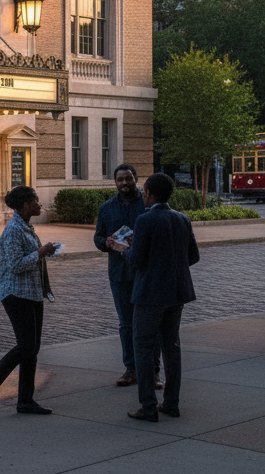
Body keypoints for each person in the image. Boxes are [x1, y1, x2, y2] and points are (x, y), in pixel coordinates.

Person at [117, 172, 199, 422]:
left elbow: (136, 260)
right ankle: (171, 403)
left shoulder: (145, 220)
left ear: (149, 193)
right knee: (172, 347)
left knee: (143, 347)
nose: (143, 195)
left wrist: (124, 248)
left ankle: (148, 406)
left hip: (150, 294)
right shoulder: (182, 219)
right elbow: (193, 256)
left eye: (145, 191)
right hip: (176, 293)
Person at [0, 185, 57, 416]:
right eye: (35, 201)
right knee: (26, 346)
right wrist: (40, 253)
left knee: (32, 348)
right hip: (16, 294)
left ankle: (26, 400)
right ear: (24, 205)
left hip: (33, 293)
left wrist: (43, 253)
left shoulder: (27, 226)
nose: (39, 204)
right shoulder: (13, 230)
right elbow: (15, 265)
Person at [94, 163, 151, 387]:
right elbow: (98, 237)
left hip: (144, 272)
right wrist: (106, 243)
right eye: (120, 179)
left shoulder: (147, 205)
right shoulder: (106, 208)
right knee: (126, 324)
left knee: (148, 323)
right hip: (118, 274)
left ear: (135, 178)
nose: (124, 183)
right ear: (115, 182)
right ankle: (131, 369)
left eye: (128, 178)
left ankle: (153, 371)